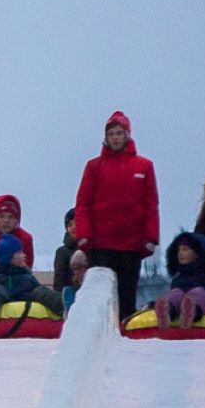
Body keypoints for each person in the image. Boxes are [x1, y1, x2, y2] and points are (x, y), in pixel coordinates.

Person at [74, 110, 160, 319]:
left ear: (127, 135)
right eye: (111, 133)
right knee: (102, 294)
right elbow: (83, 203)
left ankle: (125, 336)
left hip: (131, 243)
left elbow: (151, 204)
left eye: (119, 133)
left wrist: (151, 238)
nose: (114, 138)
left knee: (127, 295)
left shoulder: (144, 166)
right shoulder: (94, 166)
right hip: (101, 242)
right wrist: (83, 235)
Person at [0, 234, 73, 327]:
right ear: (9, 257)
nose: (24, 255)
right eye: (19, 253)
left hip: (26, 300)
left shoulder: (26, 275)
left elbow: (35, 287)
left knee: (40, 291)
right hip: (5, 301)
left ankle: (65, 306)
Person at [154, 231, 205, 329]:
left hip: (203, 306)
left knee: (199, 293)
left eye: (185, 249)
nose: (180, 253)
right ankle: (166, 311)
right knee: (176, 293)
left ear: (197, 253)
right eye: (179, 250)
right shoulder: (178, 278)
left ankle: (191, 311)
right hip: (179, 305)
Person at [52, 208, 78, 292]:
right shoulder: (62, 252)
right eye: (70, 225)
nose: (73, 227)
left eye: (76, 223)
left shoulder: (92, 250)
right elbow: (59, 280)